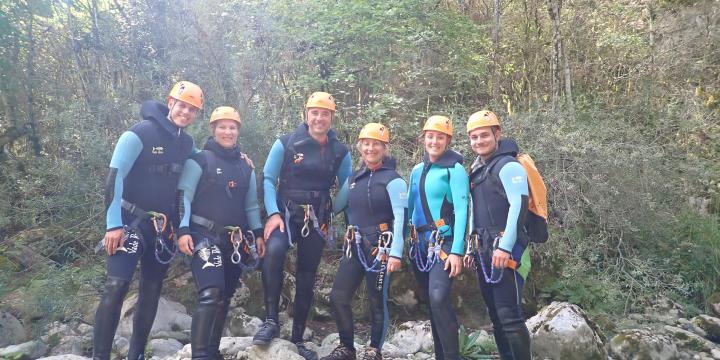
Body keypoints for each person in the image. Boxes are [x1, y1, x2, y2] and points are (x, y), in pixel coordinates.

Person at [93, 81, 203, 360]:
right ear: (170, 103)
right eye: (182, 105)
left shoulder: (186, 143)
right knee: (116, 286)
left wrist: (238, 157)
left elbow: (205, 159)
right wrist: (113, 225)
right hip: (129, 221)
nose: (186, 112)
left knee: (152, 290)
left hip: (161, 229)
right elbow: (113, 178)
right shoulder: (139, 133)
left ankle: (137, 355)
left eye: (192, 109)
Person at [253, 92, 352, 360]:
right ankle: (271, 320)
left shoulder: (339, 151)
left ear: (332, 117)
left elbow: (348, 185)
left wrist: (333, 208)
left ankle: (298, 337)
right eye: (315, 112)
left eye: (325, 114)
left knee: (307, 274)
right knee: (273, 253)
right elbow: (267, 179)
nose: (319, 118)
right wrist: (273, 213)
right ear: (306, 114)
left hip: (317, 218)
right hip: (286, 213)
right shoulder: (286, 143)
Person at [176, 106, 265, 360]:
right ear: (213, 129)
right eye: (222, 127)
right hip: (203, 234)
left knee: (224, 297)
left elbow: (250, 205)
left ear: (238, 131)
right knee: (210, 293)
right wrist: (183, 230)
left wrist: (258, 234)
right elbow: (184, 195)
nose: (228, 131)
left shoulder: (246, 166)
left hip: (234, 241)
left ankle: (212, 352)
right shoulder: (200, 160)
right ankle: (200, 355)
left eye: (232, 127)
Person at [321, 123, 407, 360]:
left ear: (384, 147)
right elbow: (335, 207)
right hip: (355, 244)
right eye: (366, 143)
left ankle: (373, 350)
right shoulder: (354, 179)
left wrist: (396, 253)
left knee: (376, 299)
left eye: (376, 144)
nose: (370, 148)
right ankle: (347, 347)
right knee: (338, 297)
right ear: (360, 146)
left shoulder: (393, 180)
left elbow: (401, 218)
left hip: (381, 245)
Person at [464, 110, 531, 360]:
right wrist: (472, 245)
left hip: (507, 248)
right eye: (474, 137)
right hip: (483, 247)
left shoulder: (509, 165)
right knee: (495, 314)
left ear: (497, 134)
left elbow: (519, 205)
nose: (479, 141)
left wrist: (505, 247)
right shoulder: (478, 167)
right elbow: (474, 209)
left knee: (509, 316)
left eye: (484, 135)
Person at [407, 115, 469, 360]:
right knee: (432, 302)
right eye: (430, 136)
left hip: (443, 243)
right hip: (419, 245)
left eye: (440, 137)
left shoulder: (455, 169)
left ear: (448, 140)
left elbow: (463, 210)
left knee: (438, 296)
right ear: (424, 138)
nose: (434, 141)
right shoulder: (416, 170)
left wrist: (457, 250)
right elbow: (410, 208)